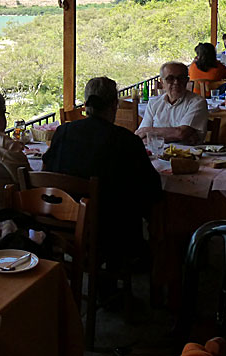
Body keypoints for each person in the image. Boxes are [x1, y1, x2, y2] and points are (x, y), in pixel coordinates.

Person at [43, 77, 162, 268]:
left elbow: (49, 170)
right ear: (114, 105)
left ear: (86, 104)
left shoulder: (63, 132)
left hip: (63, 223)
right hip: (110, 232)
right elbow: (152, 188)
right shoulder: (125, 140)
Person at [136, 62, 209, 144]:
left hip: (187, 154)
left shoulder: (197, 102)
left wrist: (148, 131)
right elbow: (141, 136)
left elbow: (181, 133)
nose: (176, 82)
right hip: (157, 153)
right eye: (170, 78)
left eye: (181, 78)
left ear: (187, 81)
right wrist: (175, 135)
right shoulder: (154, 103)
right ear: (162, 83)